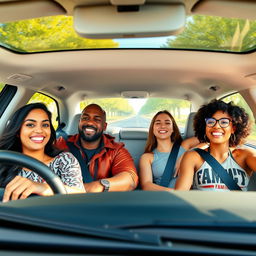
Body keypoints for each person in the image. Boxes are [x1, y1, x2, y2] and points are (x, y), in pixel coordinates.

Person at [0, 103, 85, 202]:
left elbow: (79, 195)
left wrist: (42, 188)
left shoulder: (64, 160)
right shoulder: (4, 159)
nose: (39, 130)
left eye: (45, 125)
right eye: (30, 125)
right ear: (18, 131)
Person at [175, 99, 256, 191]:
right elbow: (181, 194)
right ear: (205, 127)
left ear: (233, 128)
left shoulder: (246, 155)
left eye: (224, 122)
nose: (216, 126)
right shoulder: (192, 156)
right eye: (210, 121)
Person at [56, 103, 138, 192]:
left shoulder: (116, 150)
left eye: (97, 119)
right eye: (85, 118)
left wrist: (96, 186)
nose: (90, 122)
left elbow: (130, 180)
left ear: (104, 126)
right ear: (79, 122)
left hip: (100, 203)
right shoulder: (62, 144)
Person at [139, 110, 201, 191]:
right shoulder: (147, 157)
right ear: (153, 129)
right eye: (158, 123)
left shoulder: (185, 146)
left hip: (190, 198)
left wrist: (187, 154)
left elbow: (211, 140)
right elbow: (146, 185)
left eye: (167, 123)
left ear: (173, 129)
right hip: (166, 198)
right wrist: (176, 193)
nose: (163, 126)